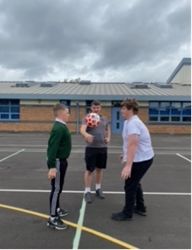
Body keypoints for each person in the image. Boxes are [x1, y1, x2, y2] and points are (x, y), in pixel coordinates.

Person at [111, 99, 154, 221]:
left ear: (130, 109)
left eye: (124, 108)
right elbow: (129, 144)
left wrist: (128, 166)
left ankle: (127, 213)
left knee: (130, 185)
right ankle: (140, 207)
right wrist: (124, 154)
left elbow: (133, 145)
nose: (121, 110)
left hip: (142, 159)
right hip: (141, 157)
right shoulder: (128, 122)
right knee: (135, 182)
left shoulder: (134, 123)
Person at [80, 100, 111, 204]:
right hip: (91, 148)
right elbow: (82, 129)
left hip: (102, 147)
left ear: (100, 108)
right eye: (94, 108)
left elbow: (107, 129)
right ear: (91, 108)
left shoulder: (104, 118)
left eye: (98, 107)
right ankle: (87, 191)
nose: (96, 109)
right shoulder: (87, 118)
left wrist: (108, 137)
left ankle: (98, 188)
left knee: (99, 169)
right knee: (89, 170)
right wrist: (86, 135)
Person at [46, 103, 71, 230]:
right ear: (60, 114)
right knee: (56, 189)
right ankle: (53, 218)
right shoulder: (58, 128)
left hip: (62, 161)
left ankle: (57, 208)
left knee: (58, 188)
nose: (68, 115)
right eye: (67, 113)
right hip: (57, 162)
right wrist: (52, 167)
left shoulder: (61, 126)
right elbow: (52, 148)